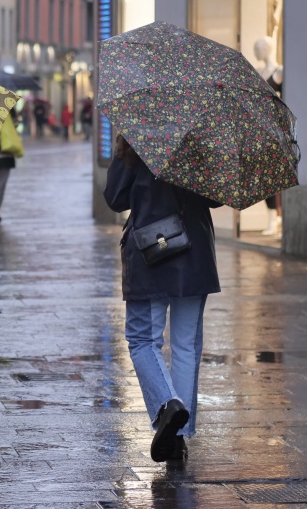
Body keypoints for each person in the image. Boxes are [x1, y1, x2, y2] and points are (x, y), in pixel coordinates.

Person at [103, 135, 221, 463]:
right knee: (186, 345)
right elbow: (215, 199)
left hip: (150, 251)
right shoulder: (199, 139)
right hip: (194, 251)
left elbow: (114, 197)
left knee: (143, 341)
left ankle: (168, 404)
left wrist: (124, 154)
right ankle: (179, 437)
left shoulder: (135, 138)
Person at [254, 36, 283, 237]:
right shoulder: (257, 72)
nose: (256, 52)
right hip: (261, 130)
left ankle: (279, 218)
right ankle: (272, 217)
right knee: (264, 176)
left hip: (276, 130)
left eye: (259, 48)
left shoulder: (279, 71)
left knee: (277, 175)